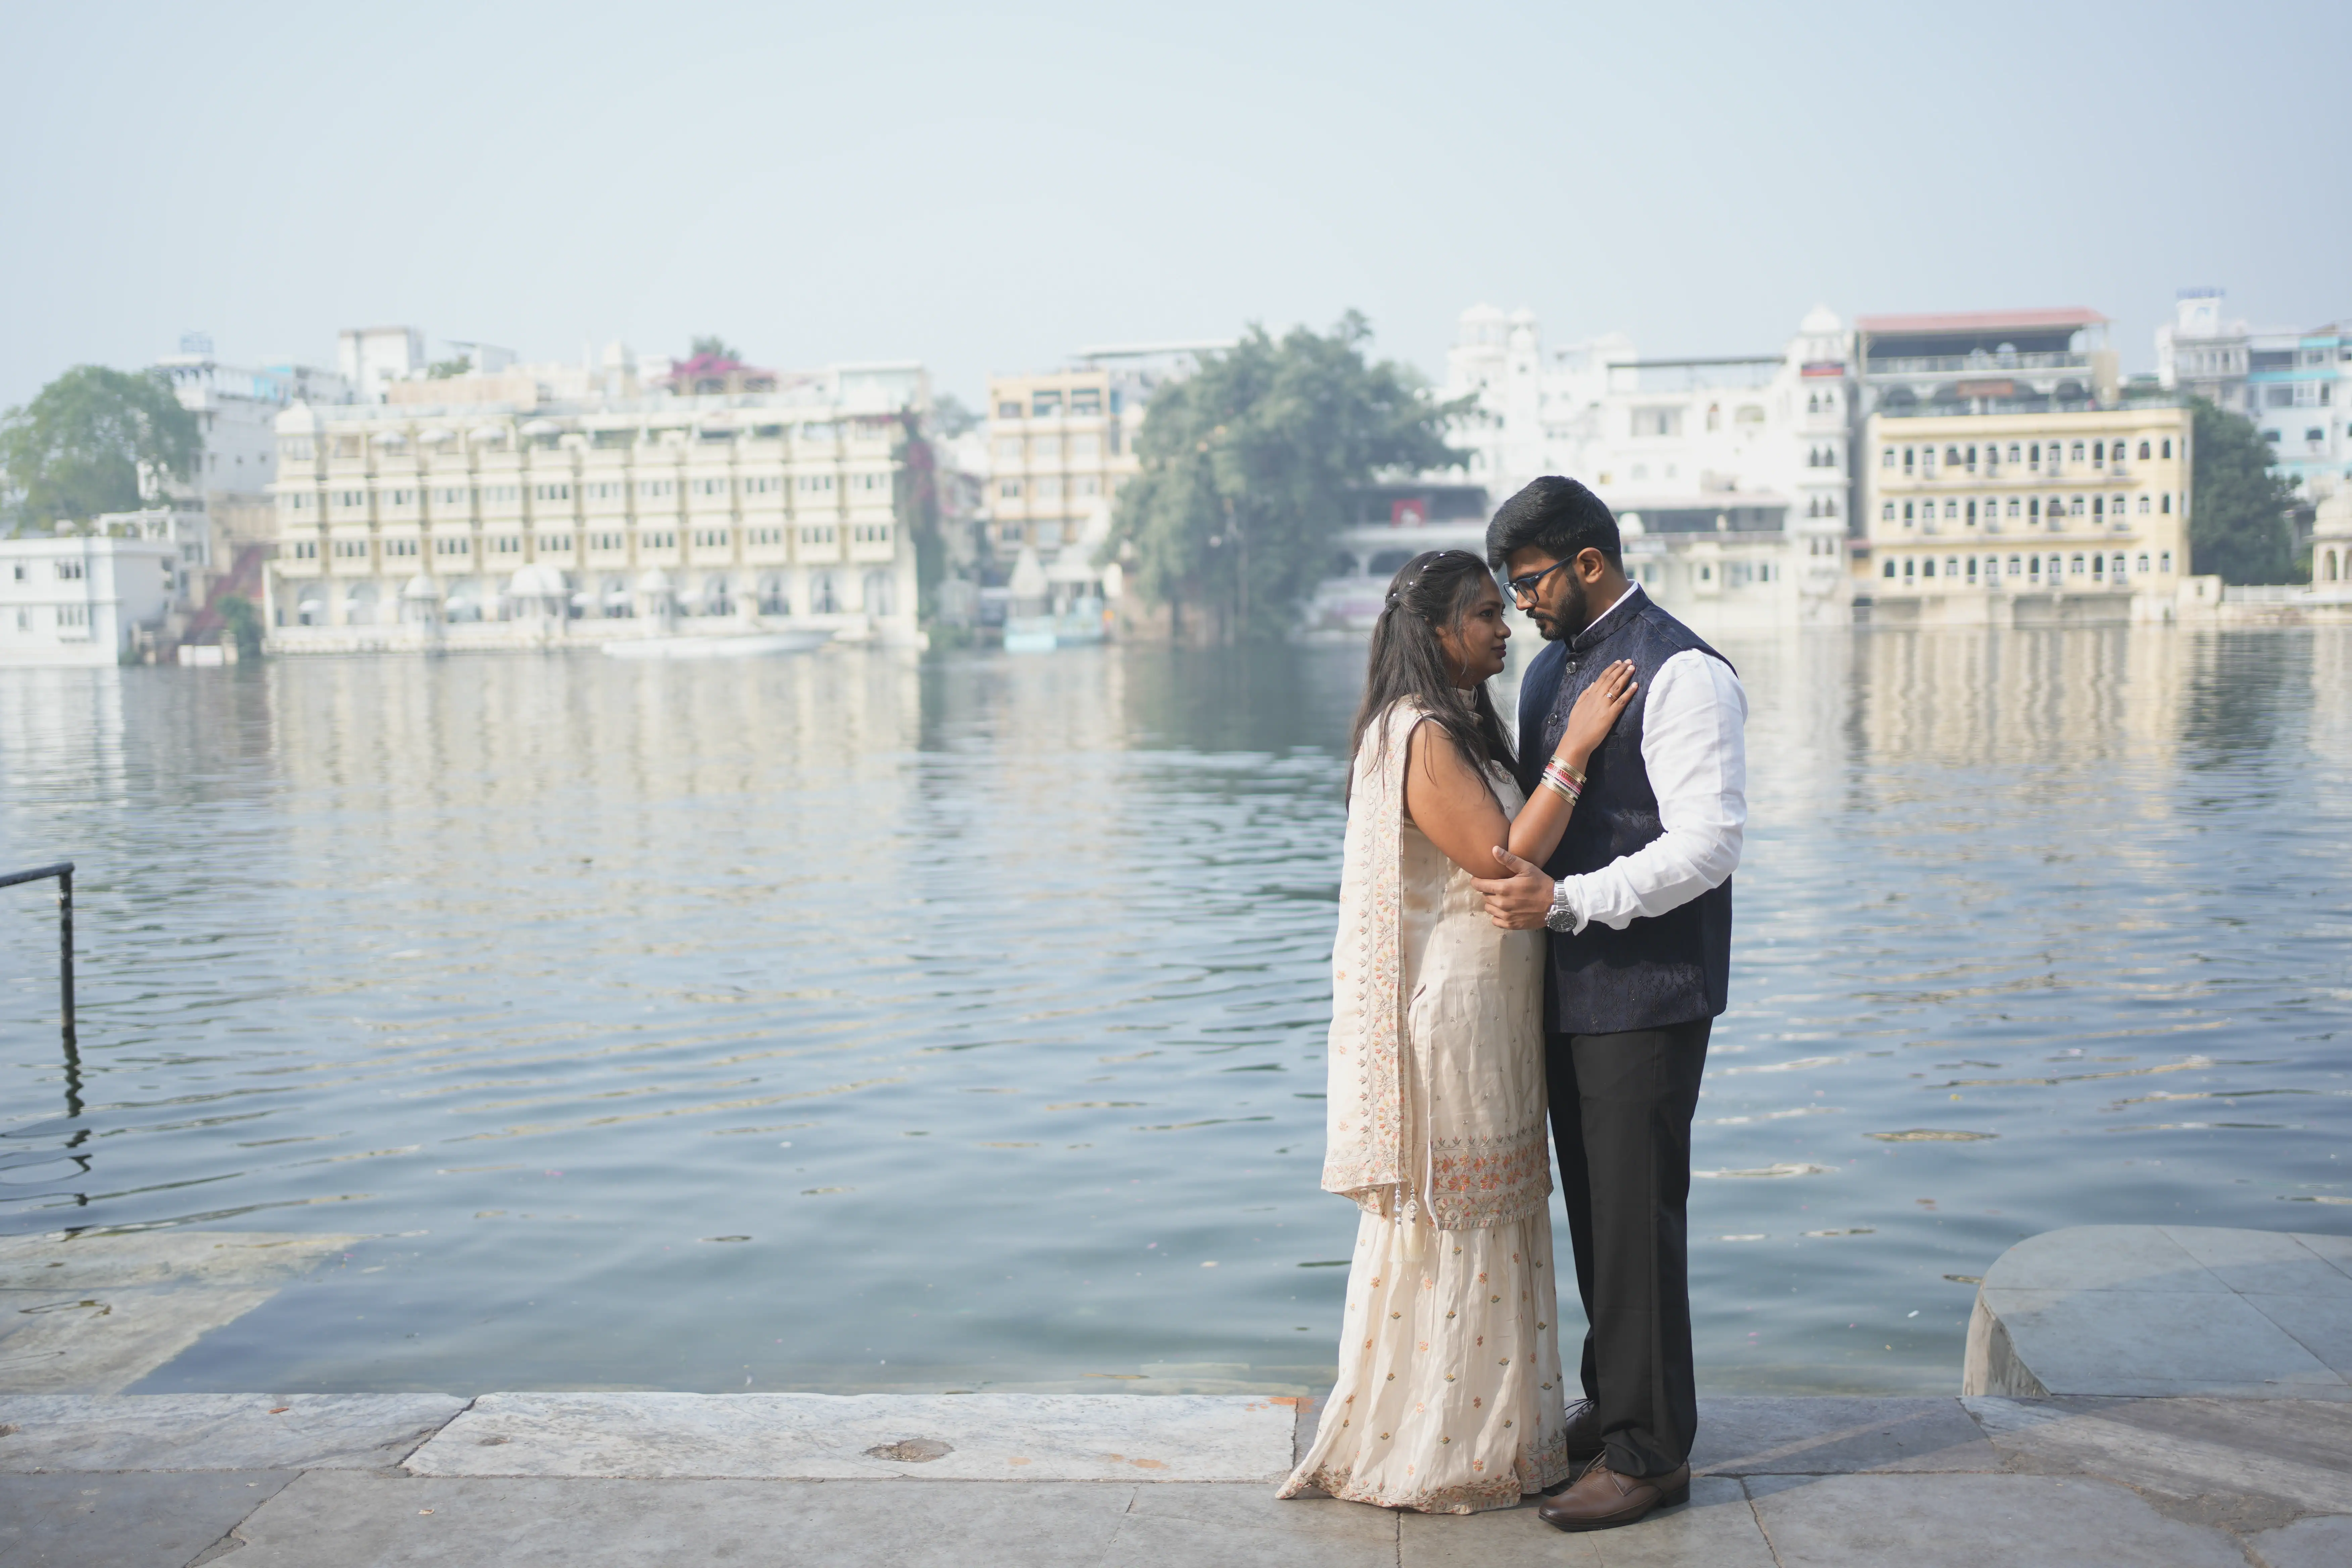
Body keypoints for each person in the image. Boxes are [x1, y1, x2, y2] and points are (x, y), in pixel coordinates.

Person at [1281, 549, 1637, 1515]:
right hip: (1454, 1022)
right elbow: (1504, 859)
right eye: (1485, 613)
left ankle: (1500, 1438)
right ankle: (1443, 1450)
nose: (1504, 626)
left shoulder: (1454, 728)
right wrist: (1581, 746)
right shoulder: (1420, 735)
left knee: (1495, 1219)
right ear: (1437, 631)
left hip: (1491, 1014)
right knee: (1461, 1228)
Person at [1470, 477, 1748, 1533]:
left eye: (1531, 580)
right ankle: (1619, 1401)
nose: (1521, 603)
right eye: (1508, 585)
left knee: (1638, 1216)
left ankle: (1649, 1455)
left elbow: (1709, 843)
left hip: (1649, 987)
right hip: (1575, 985)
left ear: (1590, 562)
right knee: (1596, 1212)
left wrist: (1572, 902)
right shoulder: (1551, 672)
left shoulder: (1685, 672)